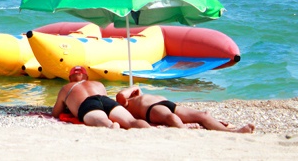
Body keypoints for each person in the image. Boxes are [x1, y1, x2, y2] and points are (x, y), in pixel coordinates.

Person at [116, 85, 255, 133]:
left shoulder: (138, 96)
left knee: (203, 114)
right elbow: (120, 95)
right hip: (152, 109)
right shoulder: (125, 104)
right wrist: (134, 87)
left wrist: (136, 91)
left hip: (168, 104)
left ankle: (228, 131)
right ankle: (185, 130)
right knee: (171, 118)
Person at [52, 66, 150, 129]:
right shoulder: (98, 84)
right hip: (105, 100)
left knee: (102, 121)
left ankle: (111, 125)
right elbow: (103, 104)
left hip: (88, 104)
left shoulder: (66, 88)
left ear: (70, 79)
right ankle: (149, 129)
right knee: (131, 121)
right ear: (87, 77)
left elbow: (56, 113)